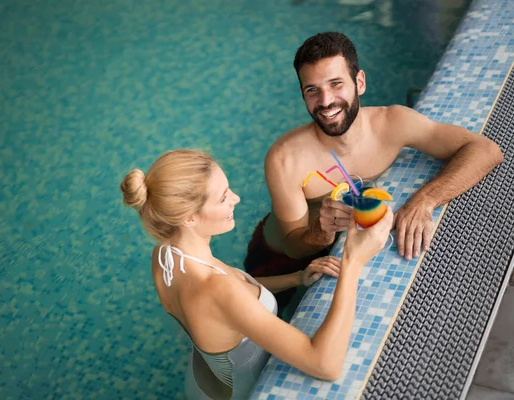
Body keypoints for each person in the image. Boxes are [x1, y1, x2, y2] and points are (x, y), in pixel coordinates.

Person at [245, 31, 503, 297]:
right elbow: (292, 246)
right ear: (303, 94)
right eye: (313, 90)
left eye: (336, 84)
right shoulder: (286, 159)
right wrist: (322, 231)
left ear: (360, 82)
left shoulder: (393, 124)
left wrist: (423, 202)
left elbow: (486, 150)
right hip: (279, 260)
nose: (325, 101)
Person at [120, 149, 393, 399]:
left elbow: (228, 305)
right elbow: (325, 364)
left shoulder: (165, 255)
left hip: (205, 383)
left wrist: (296, 278)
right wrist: (353, 261)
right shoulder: (218, 290)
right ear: (189, 218)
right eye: (224, 196)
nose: (236, 199)